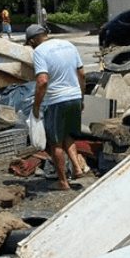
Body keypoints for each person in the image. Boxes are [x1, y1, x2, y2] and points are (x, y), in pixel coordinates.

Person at [28, 24, 85, 191]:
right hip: (74, 96)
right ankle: (77, 167)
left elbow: (42, 81)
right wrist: (81, 97)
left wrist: (36, 106)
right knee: (68, 134)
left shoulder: (39, 52)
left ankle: (63, 182)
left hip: (56, 101)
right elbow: (82, 74)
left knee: (55, 142)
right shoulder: (69, 45)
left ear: (32, 41)